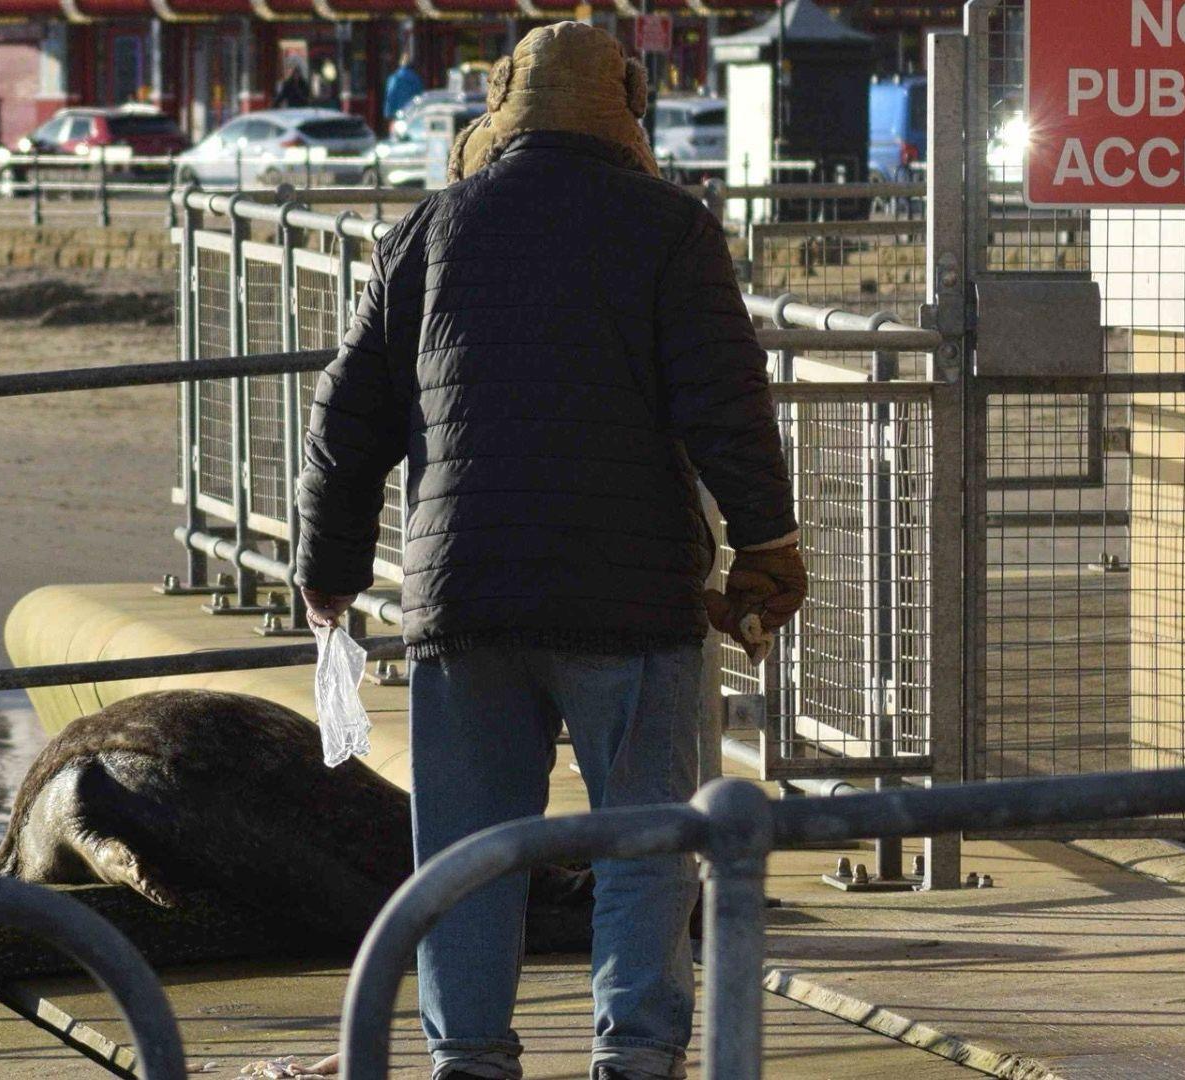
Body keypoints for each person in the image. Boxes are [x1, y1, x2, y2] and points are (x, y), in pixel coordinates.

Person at [295, 21, 806, 1080]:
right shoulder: (669, 228)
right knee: (646, 846)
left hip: (465, 599)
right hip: (633, 606)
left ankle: (470, 1057)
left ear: (505, 105)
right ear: (627, 107)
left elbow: (347, 423)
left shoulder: (427, 232)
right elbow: (727, 407)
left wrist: (329, 569)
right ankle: (636, 1058)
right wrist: (767, 548)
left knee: (472, 857)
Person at [383, 53, 424, 120]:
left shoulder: (395, 78)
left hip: (398, 113)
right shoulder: (416, 79)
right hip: (412, 112)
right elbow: (420, 95)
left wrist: (388, 112)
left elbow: (390, 95)